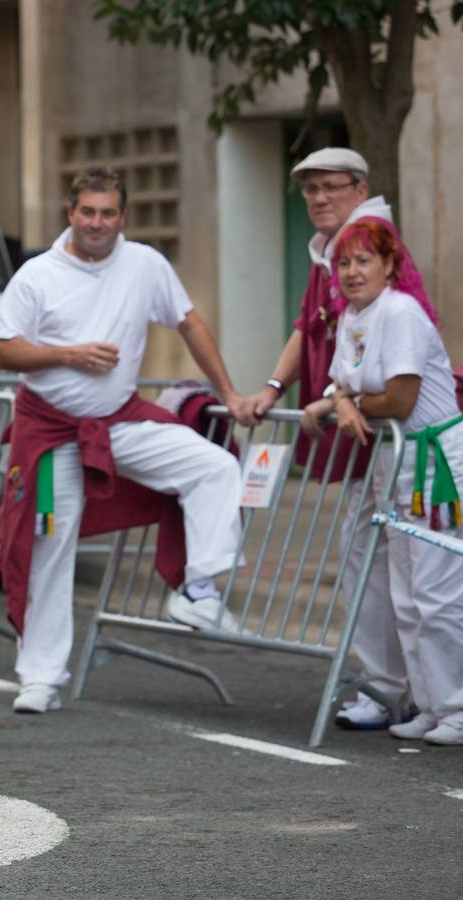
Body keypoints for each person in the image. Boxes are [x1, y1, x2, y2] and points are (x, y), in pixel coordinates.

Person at [0, 166, 250, 715]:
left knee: (215, 466)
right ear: (71, 213)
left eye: (108, 213)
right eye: (88, 211)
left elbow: (191, 324)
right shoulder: (39, 274)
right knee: (49, 548)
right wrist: (68, 354)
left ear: (122, 217)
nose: (98, 223)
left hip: (118, 420)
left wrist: (230, 391)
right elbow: (1, 351)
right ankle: (39, 677)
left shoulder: (146, 264)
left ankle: (199, 590)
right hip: (50, 430)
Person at [243, 148, 411, 731]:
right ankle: (397, 689)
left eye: (329, 187)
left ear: (360, 189)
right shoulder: (331, 253)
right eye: (310, 189)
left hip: (393, 434)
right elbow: (307, 329)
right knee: (373, 561)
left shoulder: (369, 243)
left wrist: (339, 397)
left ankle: (398, 691)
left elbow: (371, 348)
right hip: (366, 429)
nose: (317, 198)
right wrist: (273, 386)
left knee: (393, 570)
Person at [300, 217, 463, 746]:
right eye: (344, 262)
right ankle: (432, 704)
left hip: (437, 464)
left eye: (363, 260)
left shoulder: (402, 312)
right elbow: (341, 381)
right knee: (407, 596)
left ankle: (458, 709)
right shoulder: (352, 317)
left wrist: (349, 402)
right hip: (397, 465)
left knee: (437, 594)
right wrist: (342, 399)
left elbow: (399, 399)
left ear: (390, 265)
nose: (351, 272)